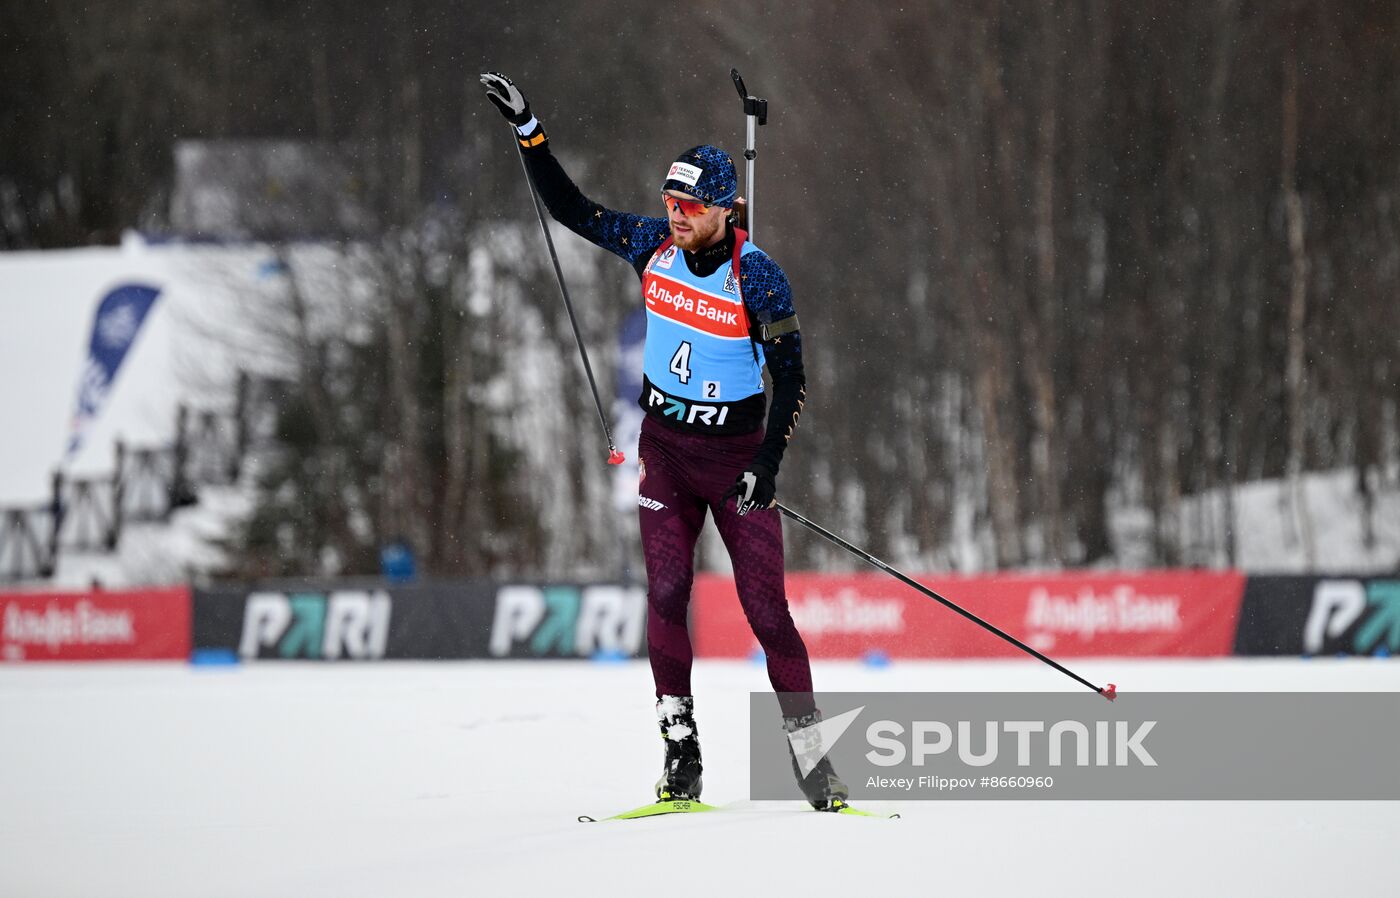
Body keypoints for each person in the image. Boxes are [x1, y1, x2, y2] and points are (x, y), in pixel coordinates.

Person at [480, 72, 847, 811]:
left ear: (723, 208)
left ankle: (814, 766)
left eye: (688, 207)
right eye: (668, 202)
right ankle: (682, 759)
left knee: (766, 611)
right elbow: (573, 211)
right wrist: (530, 131)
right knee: (668, 591)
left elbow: (792, 380)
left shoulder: (760, 280)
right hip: (668, 454)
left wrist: (768, 465)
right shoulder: (650, 246)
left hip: (736, 457)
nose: (673, 216)